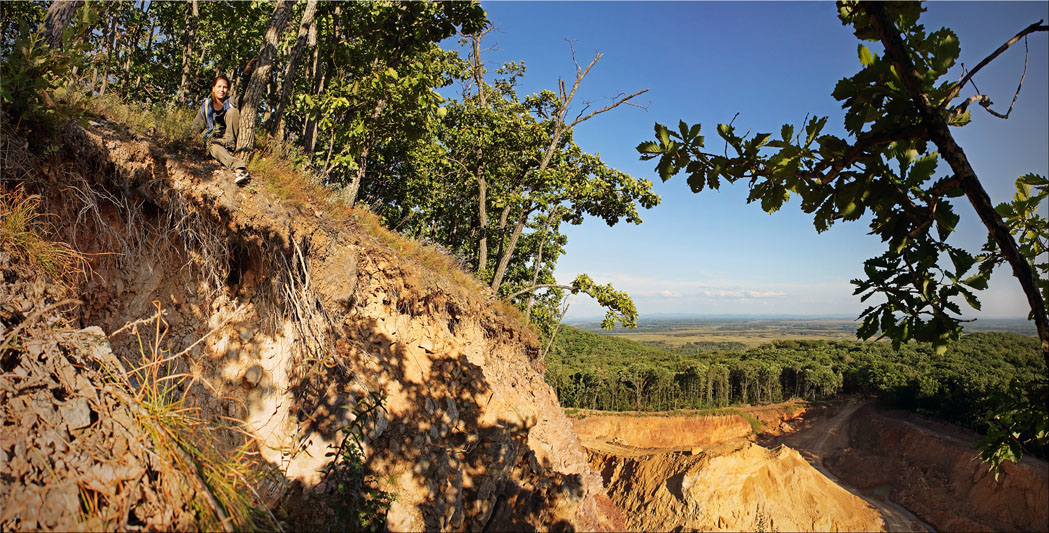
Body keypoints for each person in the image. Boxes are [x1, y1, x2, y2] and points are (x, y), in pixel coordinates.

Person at [191, 76, 250, 185]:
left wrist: (246, 75)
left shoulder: (231, 101)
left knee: (233, 112)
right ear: (213, 88)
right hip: (215, 142)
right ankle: (239, 168)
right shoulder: (206, 106)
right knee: (212, 146)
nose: (222, 90)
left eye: (225, 87)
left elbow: (247, 95)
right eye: (219, 86)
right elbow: (195, 126)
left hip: (230, 140)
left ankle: (238, 168)